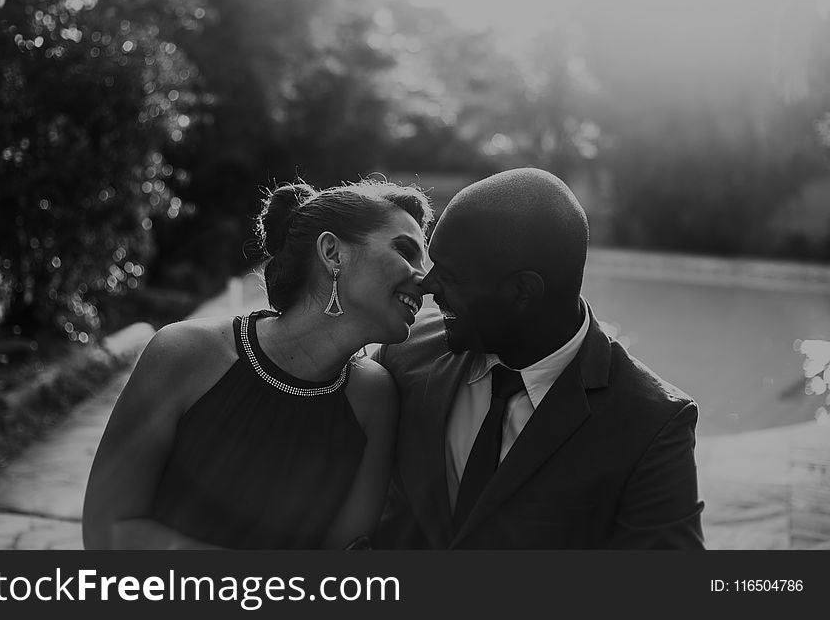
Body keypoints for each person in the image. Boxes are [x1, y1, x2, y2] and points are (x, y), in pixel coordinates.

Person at [82, 178, 432, 549]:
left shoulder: (375, 398)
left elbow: (346, 558)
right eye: (406, 252)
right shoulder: (184, 353)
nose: (425, 280)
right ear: (332, 252)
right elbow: (109, 529)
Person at [373, 168, 704, 549]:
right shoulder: (404, 351)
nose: (428, 287)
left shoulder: (652, 424)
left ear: (522, 291)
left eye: (452, 276)